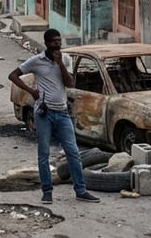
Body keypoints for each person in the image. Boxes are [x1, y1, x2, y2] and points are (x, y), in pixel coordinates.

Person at [8, 29, 100, 205]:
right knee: (44, 154)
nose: (58, 44)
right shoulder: (36, 61)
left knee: (73, 152)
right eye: (54, 42)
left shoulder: (65, 59)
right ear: (46, 43)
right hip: (44, 113)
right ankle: (47, 191)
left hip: (63, 113)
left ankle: (81, 190)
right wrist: (31, 91)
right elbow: (13, 75)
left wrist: (61, 64)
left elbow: (70, 83)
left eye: (59, 41)